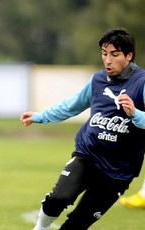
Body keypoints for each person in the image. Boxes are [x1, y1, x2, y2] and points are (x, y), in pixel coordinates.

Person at [20, 28, 145, 230]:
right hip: (88, 155)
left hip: (119, 171)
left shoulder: (141, 83)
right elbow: (73, 105)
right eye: (105, 54)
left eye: (115, 55)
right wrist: (40, 116)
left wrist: (135, 114)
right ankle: (40, 228)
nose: (108, 60)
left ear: (129, 56)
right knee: (59, 198)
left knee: (77, 224)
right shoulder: (97, 80)